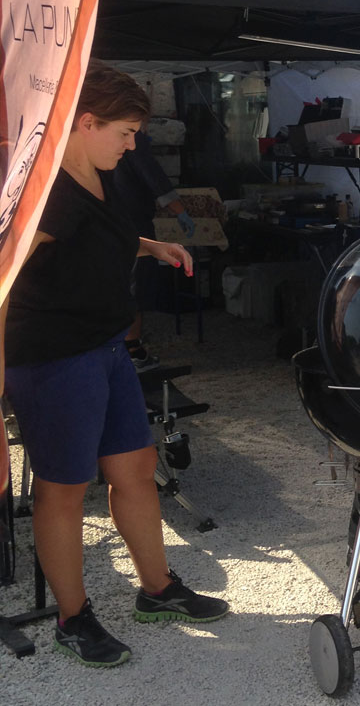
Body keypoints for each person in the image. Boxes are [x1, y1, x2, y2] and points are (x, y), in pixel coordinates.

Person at [0, 60, 228, 668]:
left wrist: (152, 244)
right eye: (124, 133)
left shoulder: (98, 174)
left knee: (136, 468)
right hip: (52, 358)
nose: (132, 147)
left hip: (105, 349)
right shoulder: (45, 194)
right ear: (85, 122)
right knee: (63, 490)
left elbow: (104, 234)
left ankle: (158, 590)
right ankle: (73, 621)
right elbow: (6, 270)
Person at [112, 129, 195, 371]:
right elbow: (154, 177)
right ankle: (133, 350)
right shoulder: (132, 137)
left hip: (117, 220)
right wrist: (180, 211)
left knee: (128, 286)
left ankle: (125, 348)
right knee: (135, 287)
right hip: (131, 220)